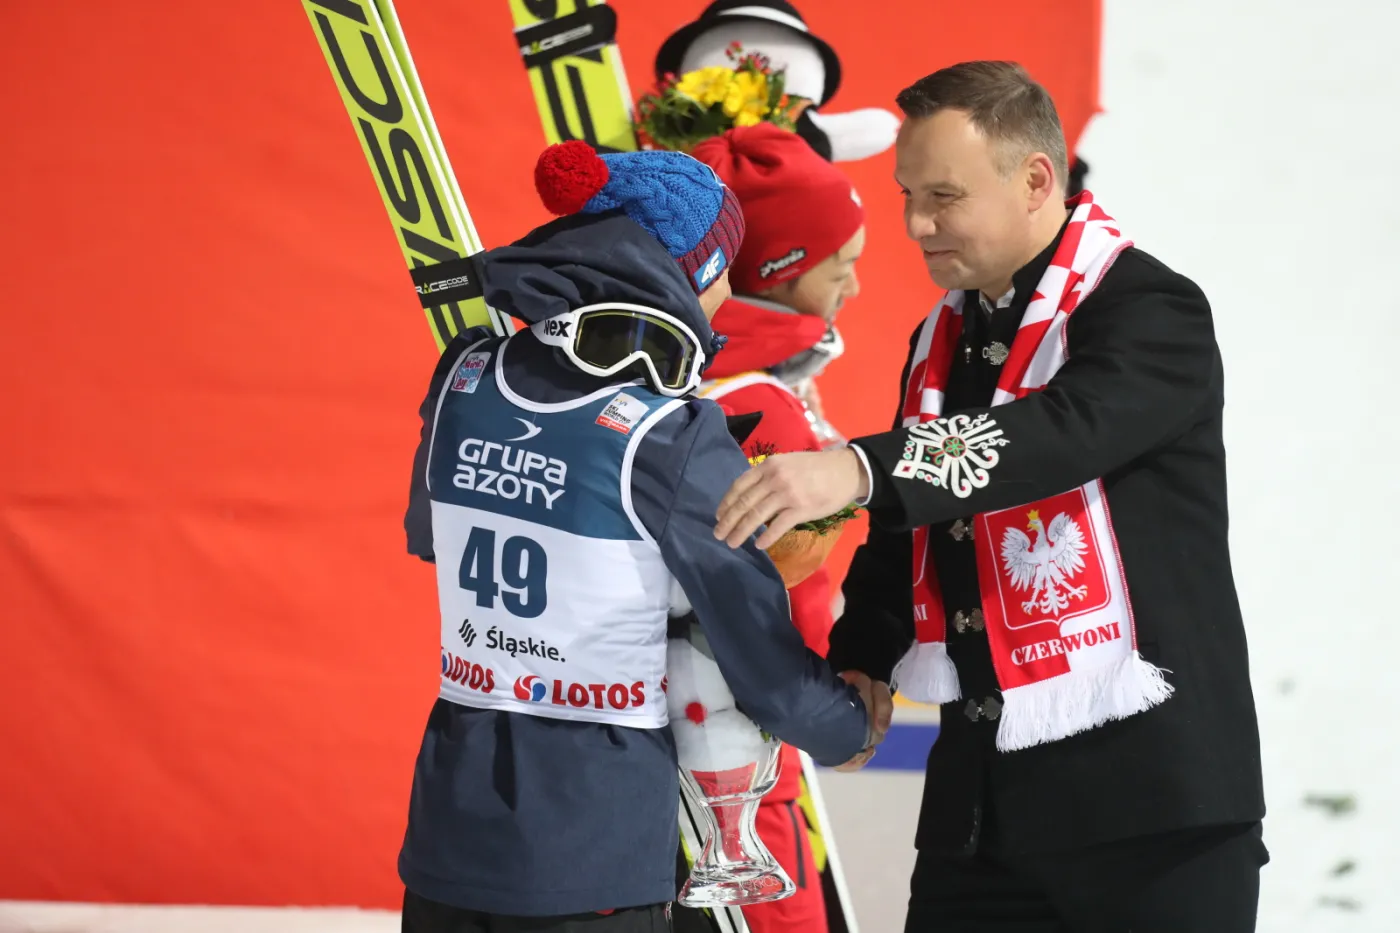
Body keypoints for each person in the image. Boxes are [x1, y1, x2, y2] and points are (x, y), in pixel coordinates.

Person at [712, 61, 1267, 932]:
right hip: (983, 812)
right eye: (905, 193)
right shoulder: (944, 332)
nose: (914, 224)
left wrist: (858, 467)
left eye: (942, 195)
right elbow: (915, 531)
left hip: (1152, 814)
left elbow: (1058, 435)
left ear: (1036, 178)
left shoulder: (1152, 309)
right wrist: (863, 653)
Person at [397, 139, 877, 933]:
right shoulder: (671, 430)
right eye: (725, 265)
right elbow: (758, 655)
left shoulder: (465, 375)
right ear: (692, 273)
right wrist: (847, 728)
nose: (729, 287)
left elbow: (430, 537)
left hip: (450, 829)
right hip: (592, 848)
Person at [684, 123, 865, 933]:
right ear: (781, 270)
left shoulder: (681, 369)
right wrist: (837, 709)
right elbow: (792, 599)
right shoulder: (762, 404)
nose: (854, 287)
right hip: (738, 756)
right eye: (842, 265)